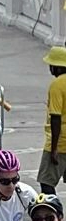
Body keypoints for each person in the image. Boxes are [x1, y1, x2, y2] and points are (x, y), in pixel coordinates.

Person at [41, 45, 66, 193]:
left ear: (57, 67)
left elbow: (55, 117)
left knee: (46, 182)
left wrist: (54, 149)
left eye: (51, 65)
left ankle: (54, 214)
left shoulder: (57, 85)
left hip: (61, 142)